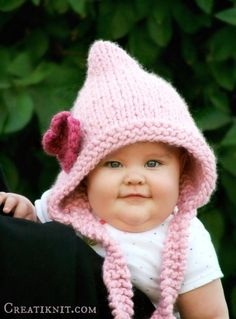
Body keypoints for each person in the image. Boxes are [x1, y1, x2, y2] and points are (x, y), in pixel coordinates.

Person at [0, 40, 229, 319]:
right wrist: (23, 210)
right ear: (86, 174)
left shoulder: (187, 239)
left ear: (182, 169)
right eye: (113, 163)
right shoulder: (69, 208)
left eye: (153, 163)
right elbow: (31, 248)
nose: (134, 178)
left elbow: (211, 314)